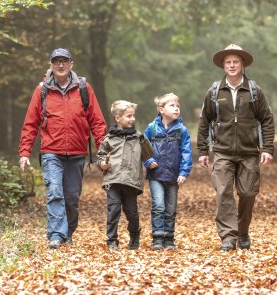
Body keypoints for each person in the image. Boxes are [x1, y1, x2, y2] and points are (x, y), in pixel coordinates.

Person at [19, 48, 107, 249]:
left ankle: (67, 232)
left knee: (71, 198)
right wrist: (24, 152)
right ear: (50, 65)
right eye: (56, 61)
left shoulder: (84, 88)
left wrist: (102, 151)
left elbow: (97, 122)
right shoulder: (41, 90)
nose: (60, 65)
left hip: (77, 153)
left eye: (64, 61)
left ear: (71, 64)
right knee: (55, 192)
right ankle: (56, 235)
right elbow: (31, 124)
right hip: (51, 151)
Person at [197, 44, 275, 251]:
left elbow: (267, 119)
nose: (232, 65)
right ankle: (228, 237)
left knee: (248, 193)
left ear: (242, 65)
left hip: (249, 152)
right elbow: (204, 122)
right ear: (223, 65)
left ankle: (242, 231)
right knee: (223, 192)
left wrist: (267, 148)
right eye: (228, 62)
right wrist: (203, 151)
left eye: (235, 62)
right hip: (222, 152)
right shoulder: (214, 91)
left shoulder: (254, 90)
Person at [97, 100, 153, 250]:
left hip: (131, 181)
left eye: (133, 116)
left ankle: (135, 235)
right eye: (128, 116)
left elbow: (149, 154)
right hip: (113, 179)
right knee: (113, 209)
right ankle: (112, 240)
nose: (132, 119)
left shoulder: (138, 137)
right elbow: (101, 155)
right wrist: (102, 163)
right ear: (117, 118)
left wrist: (144, 141)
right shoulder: (109, 138)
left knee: (132, 213)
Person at [144, 93, 193, 251]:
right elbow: (143, 148)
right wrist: (148, 161)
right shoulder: (151, 129)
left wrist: (184, 172)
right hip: (155, 175)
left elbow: (186, 152)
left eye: (178, 106)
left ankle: (169, 238)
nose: (176, 108)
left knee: (171, 209)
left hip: (173, 176)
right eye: (172, 106)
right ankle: (157, 237)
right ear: (161, 110)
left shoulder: (182, 130)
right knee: (158, 206)